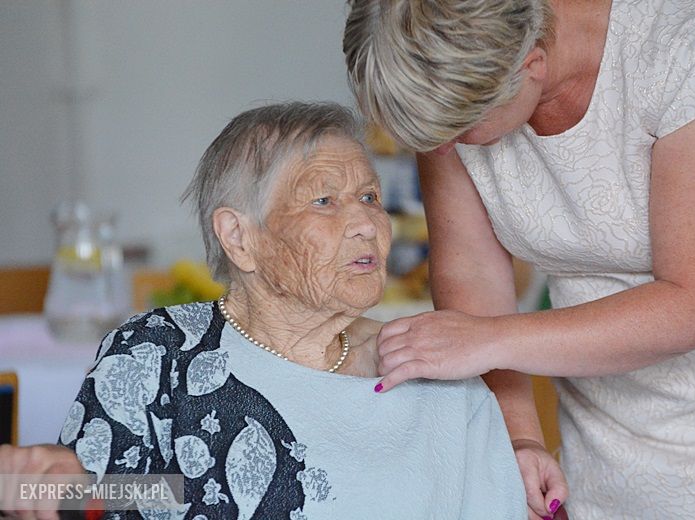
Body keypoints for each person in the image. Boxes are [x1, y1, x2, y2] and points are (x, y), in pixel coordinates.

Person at [343, 0, 695, 518]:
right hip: (600, 433)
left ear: (530, 65)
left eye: (459, 131)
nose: (442, 151)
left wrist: (486, 340)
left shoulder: (684, 43)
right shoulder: (452, 88)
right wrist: (520, 439)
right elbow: (473, 277)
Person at [0, 102, 527, 519]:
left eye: (369, 197)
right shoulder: (159, 355)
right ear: (239, 237)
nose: (367, 223)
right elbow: (125, 495)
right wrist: (52, 483)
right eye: (324, 201)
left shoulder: (438, 370)